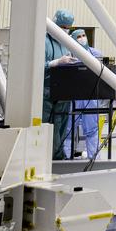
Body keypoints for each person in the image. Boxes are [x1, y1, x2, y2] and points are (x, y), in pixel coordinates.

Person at [64, 28, 103, 160]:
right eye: (78, 36)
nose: (82, 38)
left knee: (92, 129)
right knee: (69, 129)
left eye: (83, 35)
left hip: (90, 96)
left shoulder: (96, 54)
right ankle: (66, 158)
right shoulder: (67, 55)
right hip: (72, 96)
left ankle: (94, 158)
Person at [43, 9, 75, 159]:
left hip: (64, 93)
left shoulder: (66, 43)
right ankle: (48, 159)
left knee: (62, 127)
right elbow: (36, 66)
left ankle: (59, 157)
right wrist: (55, 63)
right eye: (63, 27)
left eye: (68, 28)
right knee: (48, 130)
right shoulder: (44, 41)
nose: (65, 30)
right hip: (47, 95)